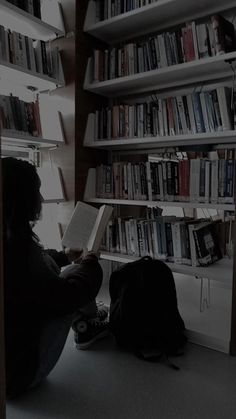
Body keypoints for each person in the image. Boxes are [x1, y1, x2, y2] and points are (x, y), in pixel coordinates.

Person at [2, 157, 109, 399]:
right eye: (36, 191)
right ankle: (87, 326)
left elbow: (34, 267)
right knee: (73, 284)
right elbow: (69, 297)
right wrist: (91, 263)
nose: (40, 199)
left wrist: (63, 256)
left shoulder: (10, 243)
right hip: (20, 378)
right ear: (22, 198)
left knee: (59, 268)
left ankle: (89, 320)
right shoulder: (21, 254)